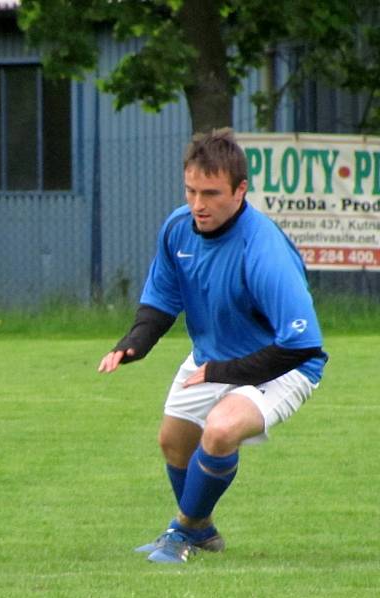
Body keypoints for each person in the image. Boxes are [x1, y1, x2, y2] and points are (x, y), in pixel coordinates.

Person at [98, 129, 327, 563]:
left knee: (220, 429)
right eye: (191, 191)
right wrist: (133, 344)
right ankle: (201, 531)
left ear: (240, 191)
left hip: (284, 365)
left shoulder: (264, 250)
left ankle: (180, 532)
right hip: (215, 357)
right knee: (174, 441)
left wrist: (224, 373)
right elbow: (161, 301)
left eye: (211, 193)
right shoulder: (178, 229)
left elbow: (302, 344)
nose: (198, 204)